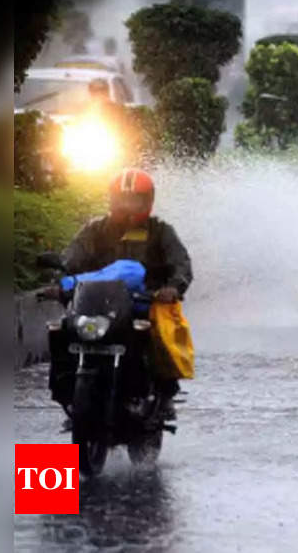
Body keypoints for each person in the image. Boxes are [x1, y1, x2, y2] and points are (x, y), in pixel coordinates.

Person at [62, 168, 192, 417]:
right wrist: (58, 279)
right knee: (60, 331)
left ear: (148, 201)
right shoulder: (96, 230)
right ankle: (67, 393)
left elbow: (181, 264)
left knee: (160, 335)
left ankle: (164, 394)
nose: (127, 206)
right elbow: (71, 258)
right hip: (95, 302)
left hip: (143, 302)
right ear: (111, 199)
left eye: (134, 200)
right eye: (121, 199)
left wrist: (173, 287)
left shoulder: (161, 232)